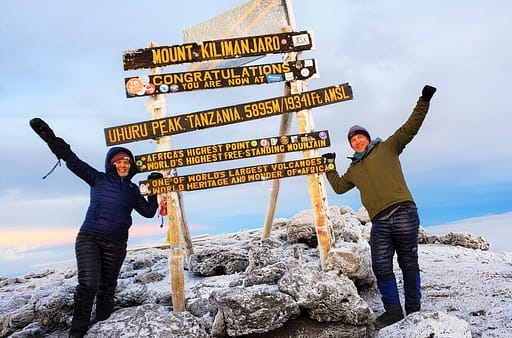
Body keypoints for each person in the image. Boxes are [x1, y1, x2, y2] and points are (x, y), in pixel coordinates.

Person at [30, 118, 162, 338]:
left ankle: (103, 329)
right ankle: (77, 333)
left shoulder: (132, 190)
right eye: (118, 161)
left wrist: (154, 191)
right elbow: (72, 160)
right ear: (111, 164)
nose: (123, 165)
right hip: (89, 238)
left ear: (131, 166)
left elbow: (148, 212)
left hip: (117, 245)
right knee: (89, 285)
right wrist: (51, 139)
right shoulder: (97, 179)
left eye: (127, 162)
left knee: (107, 289)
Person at [322, 85, 436, 329]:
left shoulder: (388, 147)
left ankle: (414, 309)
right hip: (380, 221)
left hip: (403, 211)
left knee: (408, 264)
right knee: (381, 266)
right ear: (351, 145)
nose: (357, 141)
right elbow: (340, 187)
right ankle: (393, 311)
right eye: (353, 140)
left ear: (367, 137)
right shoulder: (353, 169)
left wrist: (423, 100)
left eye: (359, 136)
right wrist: (329, 166)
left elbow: (410, 127)